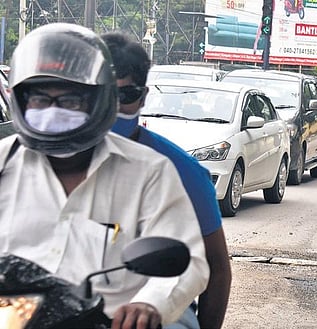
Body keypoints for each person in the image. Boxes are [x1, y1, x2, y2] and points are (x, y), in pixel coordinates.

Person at [0, 23, 209, 329]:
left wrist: (148, 304)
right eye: (41, 100)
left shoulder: (150, 170)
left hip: (114, 320)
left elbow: (187, 262)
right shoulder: (3, 163)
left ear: (99, 101)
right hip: (13, 316)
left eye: (70, 101)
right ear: (20, 100)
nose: (53, 111)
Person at [101, 31, 231, 329]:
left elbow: (216, 266)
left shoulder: (179, 170)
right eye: (104, 95)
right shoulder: (41, 159)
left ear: (143, 97)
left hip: (155, 310)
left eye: (126, 95)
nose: (113, 108)